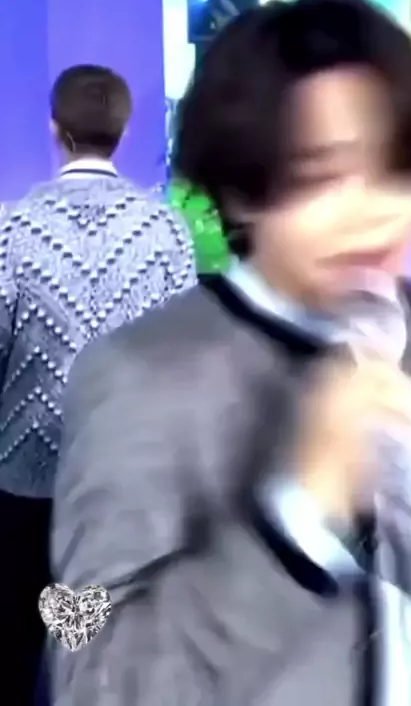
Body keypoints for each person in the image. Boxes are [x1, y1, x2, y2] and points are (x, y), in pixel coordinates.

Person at [51, 0, 411, 705]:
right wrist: (295, 520)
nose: (372, 211)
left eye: (399, 168)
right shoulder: (137, 377)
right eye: (322, 176)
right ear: (242, 190)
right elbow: (86, 673)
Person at [0, 64, 196, 705]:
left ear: (55, 129)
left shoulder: (11, 230)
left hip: (28, 479)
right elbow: (182, 355)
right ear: (126, 130)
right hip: (128, 480)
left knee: (21, 646)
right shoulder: (165, 230)